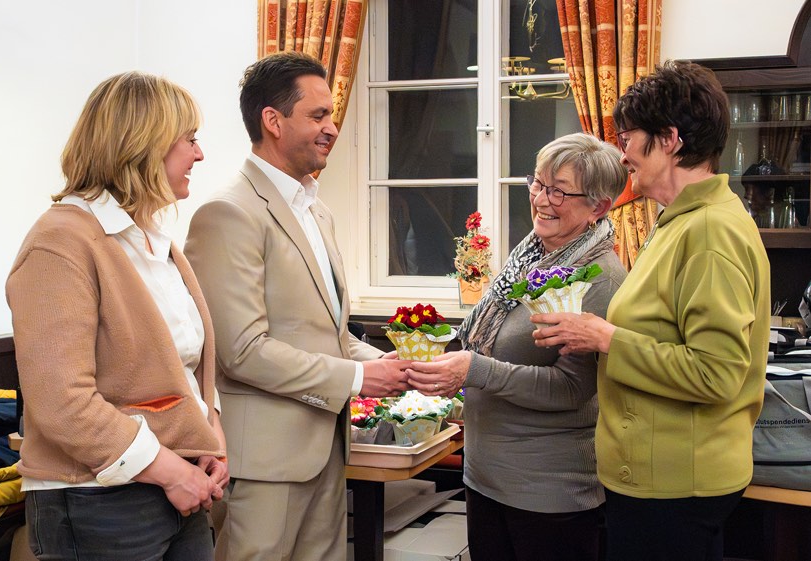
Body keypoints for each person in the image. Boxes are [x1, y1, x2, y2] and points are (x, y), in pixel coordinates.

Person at [531, 61, 771, 561]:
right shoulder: (680, 222)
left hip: (676, 489)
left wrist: (605, 338)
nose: (623, 154)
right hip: (661, 483)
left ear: (669, 140)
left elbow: (717, 373)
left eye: (628, 138)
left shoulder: (709, 232)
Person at [184, 51, 411, 561]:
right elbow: (240, 351)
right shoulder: (228, 213)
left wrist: (383, 364)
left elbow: (326, 330)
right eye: (318, 116)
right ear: (272, 120)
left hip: (326, 450)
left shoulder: (317, 211)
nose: (332, 127)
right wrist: (355, 381)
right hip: (264, 462)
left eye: (330, 115)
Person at [6, 71, 229, 561]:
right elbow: (62, 402)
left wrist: (209, 438)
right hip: (97, 499)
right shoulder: (60, 242)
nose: (200, 154)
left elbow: (185, 369)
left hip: (177, 483)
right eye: (189, 139)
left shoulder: (152, 240)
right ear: (143, 144)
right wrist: (173, 472)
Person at [406, 132, 628, 561]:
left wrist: (474, 370)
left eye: (559, 191)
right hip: (487, 477)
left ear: (598, 206)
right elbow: (490, 341)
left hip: (547, 493)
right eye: (539, 183)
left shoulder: (599, 277)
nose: (542, 199)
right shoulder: (530, 257)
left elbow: (570, 390)